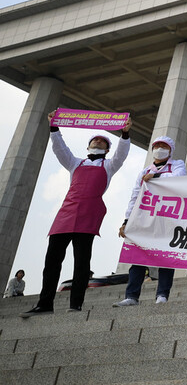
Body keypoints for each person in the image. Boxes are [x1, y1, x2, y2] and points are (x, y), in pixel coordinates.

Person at [21, 114, 131, 317]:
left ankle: (76, 304)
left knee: (81, 262)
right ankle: (45, 304)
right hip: (65, 214)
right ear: (88, 146)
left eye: (103, 141)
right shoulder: (74, 163)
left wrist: (125, 134)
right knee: (52, 261)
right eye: (94, 140)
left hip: (88, 216)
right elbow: (60, 149)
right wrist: (54, 128)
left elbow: (121, 154)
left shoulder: (108, 166)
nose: (98, 142)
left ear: (107, 149)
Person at [114, 136, 186, 306]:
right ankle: (131, 296)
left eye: (164, 146)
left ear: (170, 150)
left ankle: (162, 294)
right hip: (144, 218)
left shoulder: (177, 165)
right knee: (138, 257)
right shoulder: (144, 171)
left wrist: (155, 177)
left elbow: (179, 179)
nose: (160, 148)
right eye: (157, 145)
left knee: (166, 257)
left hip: (167, 217)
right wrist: (127, 221)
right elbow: (135, 196)